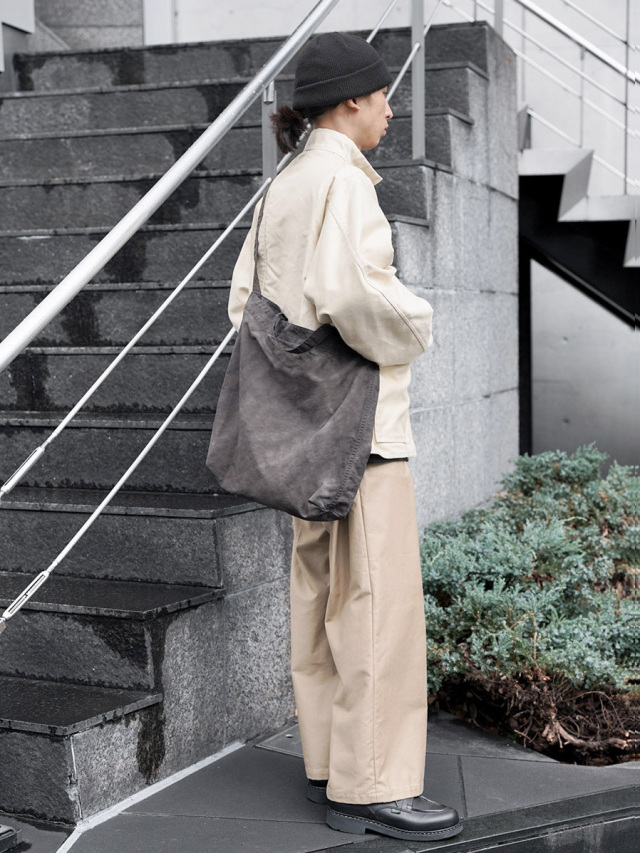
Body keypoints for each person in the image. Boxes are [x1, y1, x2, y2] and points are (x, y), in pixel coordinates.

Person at [227, 32, 462, 842]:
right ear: (351, 100)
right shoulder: (344, 182)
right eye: (383, 96)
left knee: (320, 599)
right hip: (363, 433)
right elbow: (359, 295)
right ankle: (376, 786)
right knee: (375, 607)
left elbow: (245, 305)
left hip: (304, 434)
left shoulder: (286, 183)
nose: (392, 110)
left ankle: (331, 763)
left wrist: (296, 375)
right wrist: (420, 320)